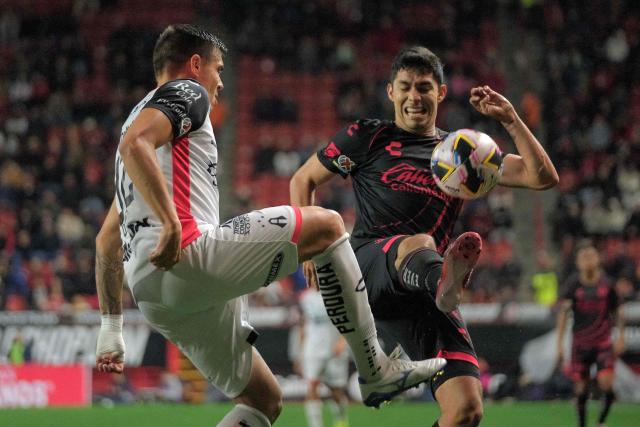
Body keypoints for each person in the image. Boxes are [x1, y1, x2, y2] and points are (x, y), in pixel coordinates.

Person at [93, 25, 446, 427]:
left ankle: (374, 372)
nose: (221, 81)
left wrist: (111, 326)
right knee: (328, 226)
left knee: (263, 399)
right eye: (218, 68)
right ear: (195, 65)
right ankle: (376, 370)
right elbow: (133, 144)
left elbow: (106, 240)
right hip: (187, 256)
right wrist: (173, 225)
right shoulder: (186, 92)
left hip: (153, 295)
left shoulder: (139, 126)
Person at [290, 46, 559, 427]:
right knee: (419, 243)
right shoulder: (367, 137)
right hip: (369, 268)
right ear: (391, 92)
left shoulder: (463, 152)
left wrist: (511, 120)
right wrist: (308, 251)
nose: (414, 96)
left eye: (424, 87)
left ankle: (442, 285)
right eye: (406, 87)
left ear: (441, 93)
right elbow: (303, 179)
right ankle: (445, 284)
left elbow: (542, 178)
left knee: (465, 410)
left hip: (423, 291)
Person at [556, 240, 625, 427]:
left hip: (603, 343)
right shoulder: (572, 285)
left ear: (598, 259)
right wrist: (559, 344)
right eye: (583, 257)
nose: (588, 260)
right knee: (581, 390)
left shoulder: (608, 285)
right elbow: (563, 314)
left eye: (591, 256)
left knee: (606, 385)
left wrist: (621, 337)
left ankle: (601, 421)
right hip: (580, 345)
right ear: (578, 262)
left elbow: (618, 311)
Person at [298, 285, 350, 427]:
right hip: (312, 348)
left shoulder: (337, 294)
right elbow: (302, 323)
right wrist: (301, 351)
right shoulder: (305, 297)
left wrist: (342, 340)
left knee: (336, 390)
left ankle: (341, 419)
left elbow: (348, 320)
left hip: (334, 350)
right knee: (312, 385)